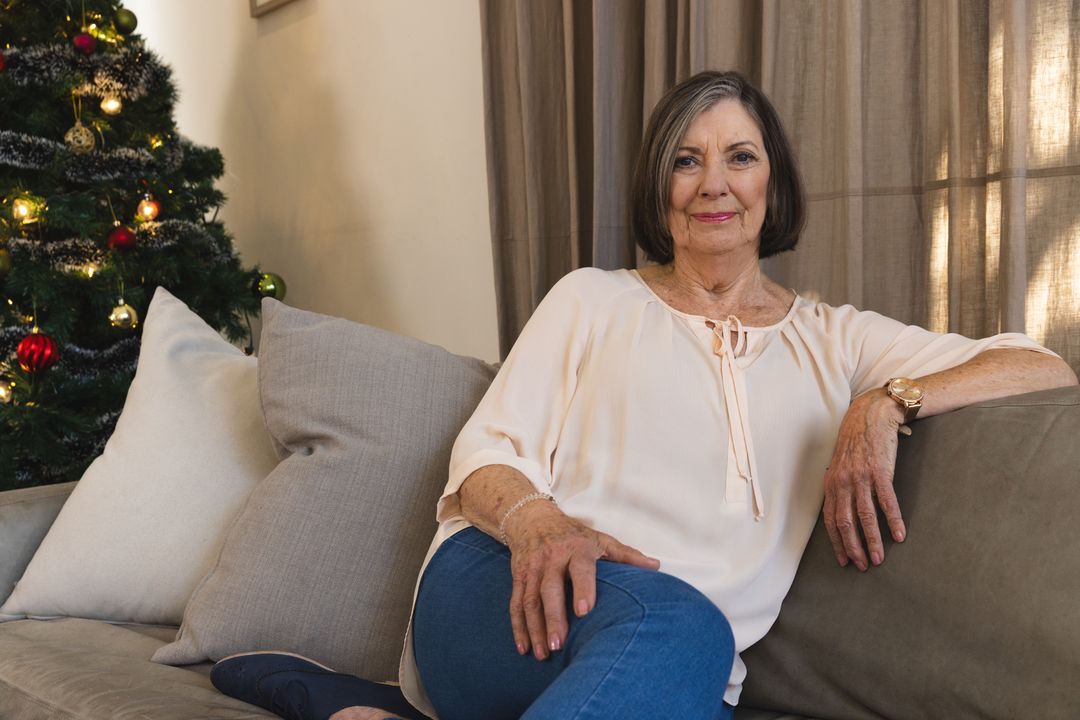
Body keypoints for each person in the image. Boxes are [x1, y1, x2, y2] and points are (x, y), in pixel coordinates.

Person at [210, 70, 1077, 720]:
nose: (714, 184)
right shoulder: (594, 299)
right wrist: (542, 525)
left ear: (771, 183)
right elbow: (484, 458)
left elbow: (1043, 365)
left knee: (689, 651)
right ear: (659, 187)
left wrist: (889, 402)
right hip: (507, 589)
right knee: (687, 634)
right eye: (687, 162)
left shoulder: (836, 340)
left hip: (677, 667)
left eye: (740, 157)